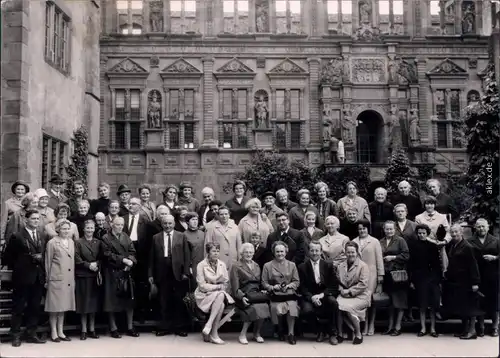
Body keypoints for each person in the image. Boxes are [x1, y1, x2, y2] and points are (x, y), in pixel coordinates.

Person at [3, 209, 47, 347]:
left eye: (37, 219)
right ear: (26, 220)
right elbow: (7, 257)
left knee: (34, 307)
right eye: (33, 218)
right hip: (22, 277)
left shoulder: (41, 234)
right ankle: (15, 335)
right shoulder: (17, 236)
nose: (36, 221)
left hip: (37, 276)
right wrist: (23, 263)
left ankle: (31, 333)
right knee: (18, 307)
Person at [149, 215, 190, 337]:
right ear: (162, 224)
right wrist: (150, 274)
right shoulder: (155, 238)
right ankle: (164, 327)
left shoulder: (181, 236)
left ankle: (179, 327)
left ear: (174, 223)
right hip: (162, 272)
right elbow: (151, 258)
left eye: (170, 223)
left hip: (178, 273)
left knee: (178, 300)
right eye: (165, 223)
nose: (168, 226)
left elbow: (187, 256)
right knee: (163, 300)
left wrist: (186, 272)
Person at [101, 217, 139, 339]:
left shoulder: (126, 237)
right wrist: (123, 259)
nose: (120, 227)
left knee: (129, 300)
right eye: (117, 224)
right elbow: (106, 254)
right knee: (111, 301)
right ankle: (113, 328)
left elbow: (133, 251)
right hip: (112, 272)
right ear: (112, 225)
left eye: (122, 225)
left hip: (125, 272)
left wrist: (131, 262)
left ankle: (129, 327)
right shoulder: (106, 238)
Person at [442, 224, 481, 339]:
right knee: (462, 307)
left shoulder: (467, 247)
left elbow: (473, 265)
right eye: (452, 232)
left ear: (461, 232)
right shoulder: (453, 245)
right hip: (457, 282)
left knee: (470, 307)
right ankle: (464, 330)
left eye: (456, 232)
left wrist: (475, 282)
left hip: (467, 281)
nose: (454, 234)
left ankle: (472, 331)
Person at [298, 242, 340, 345]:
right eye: (312, 250)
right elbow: (302, 287)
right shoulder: (302, 267)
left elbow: (334, 285)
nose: (314, 253)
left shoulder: (328, 265)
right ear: (308, 252)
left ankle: (332, 333)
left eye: (317, 250)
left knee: (333, 303)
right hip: (310, 295)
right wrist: (312, 297)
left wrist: (322, 295)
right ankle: (319, 330)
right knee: (307, 311)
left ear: (321, 252)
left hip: (324, 294)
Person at [230, 242, 271, 344]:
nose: (248, 254)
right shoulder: (236, 266)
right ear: (242, 253)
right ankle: (243, 334)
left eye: (251, 252)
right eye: (246, 252)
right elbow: (235, 287)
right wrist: (242, 297)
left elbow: (260, 283)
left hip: (255, 295)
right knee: (253, 308)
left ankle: (256, 333)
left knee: (265, 306)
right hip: (242, 295)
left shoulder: (257, 265)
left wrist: (262, 290)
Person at [195, 242, 235, 345]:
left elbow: (226, 282)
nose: (216, 253)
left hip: (219, 294)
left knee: (221, 296)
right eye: (213, 251)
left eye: (218, 251)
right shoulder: (201, 265)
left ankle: (209, 325)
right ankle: (214, 334)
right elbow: (202, 286)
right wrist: (217, 286)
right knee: (220, 303)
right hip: (204, 295)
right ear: (208, 252)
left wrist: (220, 287)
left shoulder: (222, 264)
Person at [262, 241, 301, 345]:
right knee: (276, 308)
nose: (280, 254)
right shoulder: (267, 266)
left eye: (282, 251)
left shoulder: (292, 265)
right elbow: (264, 283)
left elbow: (296, 281)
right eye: (277, 251)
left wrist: (289, 286)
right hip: (275, 295)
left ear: (286, 252)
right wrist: (273, 287)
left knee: (292, 307)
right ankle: (280, 330)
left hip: (289, 294)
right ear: (273, 252)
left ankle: (291, 334)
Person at [44, 219, 76, 342]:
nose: (66, 231)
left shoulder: (71, 242)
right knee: (54, 307)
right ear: (58, 229)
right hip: (56, 278)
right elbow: (48, 261)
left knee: (63, 306)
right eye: (63, 228)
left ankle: (61, 331)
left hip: (68, 279)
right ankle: (54, 332)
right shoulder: (52, 242)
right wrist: (48, 279)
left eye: (68, 228)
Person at [352, 219, 384, 336]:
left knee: (371, 300)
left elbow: (379, 259)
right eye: (360, 229)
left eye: (364, 228)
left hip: (372, 275)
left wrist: (381, 275)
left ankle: (371, 324)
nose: (362, 231)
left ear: (367, 229)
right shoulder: (354, 241)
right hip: (357, 275)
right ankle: (363, 324)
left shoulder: (374, 241)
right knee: (361, 301)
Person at [468, 219, 499, 337]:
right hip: (477, 275)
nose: (481, 229)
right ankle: (481, 327)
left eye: (483, 226)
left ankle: (495, 327)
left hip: (493, 275)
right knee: (479, 302)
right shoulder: (470, 241)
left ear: (488, 227)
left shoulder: (495, 241)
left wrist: (495, 258)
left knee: (494, 302)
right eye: (479, 227)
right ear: (475, 228)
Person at [409, 224, 441, 338]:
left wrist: (437, 279)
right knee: (422, 305)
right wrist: (412, 280)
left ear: (427, 234)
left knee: (432, 305)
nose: (421, 235)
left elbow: (437, 265)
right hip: (419, 278)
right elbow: (411, 264)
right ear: (417, 234)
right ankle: (423, 328)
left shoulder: (432, 246)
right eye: (419, 233)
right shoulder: (413, 246)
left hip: (431, 278)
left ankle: (432, 328)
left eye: (423, 233)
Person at [124, 198, 153, 323]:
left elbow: (148, 241)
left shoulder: (145, 221)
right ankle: (126, 317)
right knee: (126, 286)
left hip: (141, 256)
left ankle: (141, 314)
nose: (131, 205)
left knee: (141, 285)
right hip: (126, 254)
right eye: (129, 204)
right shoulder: (123, 219)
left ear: (140, 206)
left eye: (134, 204)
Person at [337, 241, 371, 345]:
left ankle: (358, 333)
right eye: (348, 252)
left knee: (347, 308)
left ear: (357, 252)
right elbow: (338, 281)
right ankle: (340, 334)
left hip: (361, 295)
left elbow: (363, 284)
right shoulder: (341, 266)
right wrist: (341, 290)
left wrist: (349, 292)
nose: (350, 254)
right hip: (344, 294)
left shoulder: (363, 266)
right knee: (336, 305)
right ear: (345, 253)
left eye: (353, 252)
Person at [379, 221, 410, 336]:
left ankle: (398, 326)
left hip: (398, 275)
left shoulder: (400, 240)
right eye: (387, 229)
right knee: (390, 303)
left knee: (400, 301)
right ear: (384, 229)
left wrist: (393, 257)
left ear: (395, 229)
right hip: (387, 275)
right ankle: (390, 326)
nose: (389, 231)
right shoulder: (380, 241)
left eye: (391, 229)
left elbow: (406, 255)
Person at [74, 219, 102, 340]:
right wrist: (88, 265)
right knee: (84, 304)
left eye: (92, 228)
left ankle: (92, 329)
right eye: (88, 228)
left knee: (93, 304)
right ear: (84, 229)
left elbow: (102, 256)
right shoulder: (78, 242)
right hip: (83, 275)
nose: (90, 230)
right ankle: (84, 330)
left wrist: (97, 264)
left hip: (94, 276)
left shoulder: (98, 242)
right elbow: (76, 258)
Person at [204, 206, 242, 274]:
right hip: (217, 259)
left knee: (232, 281)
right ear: (218, 215)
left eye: (226, 214)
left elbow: (239, 245)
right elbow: (207, 245)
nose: (224, 216)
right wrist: (207, 261)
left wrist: (240, 260)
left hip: (232, 260)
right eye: (221, 214)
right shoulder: (212, 228)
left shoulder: (235, 227)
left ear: (229, 215)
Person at [183, 212, 205, 289]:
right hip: (193, 265)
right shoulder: (184, 235)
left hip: (204, 263)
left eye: (196, 219)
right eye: (192, 220)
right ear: (187, 222)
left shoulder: (202, 233)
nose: (195, 222)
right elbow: (185, 253)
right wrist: (188, 267)